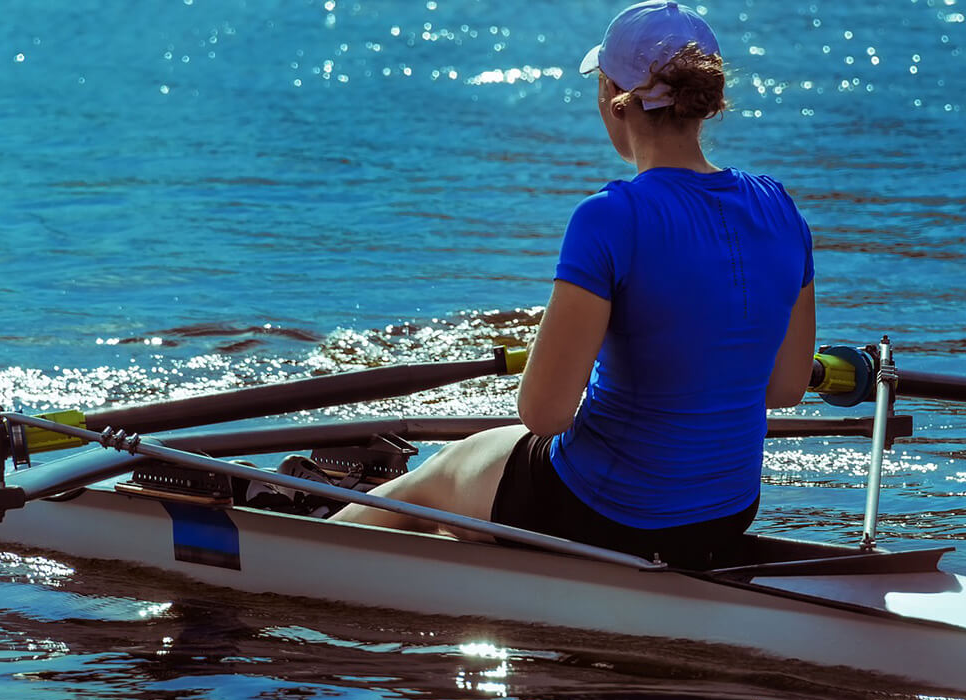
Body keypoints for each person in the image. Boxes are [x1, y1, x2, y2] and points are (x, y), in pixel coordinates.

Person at [334, 0, 816, 570]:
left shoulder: (611, 216)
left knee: (439, 474)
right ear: (704, 102)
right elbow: (785, 388)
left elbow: (544, 414)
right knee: (483, 475)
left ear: (613, 97)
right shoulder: (780, 207)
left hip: (604, 513)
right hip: (728, 511)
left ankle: (289, 550)